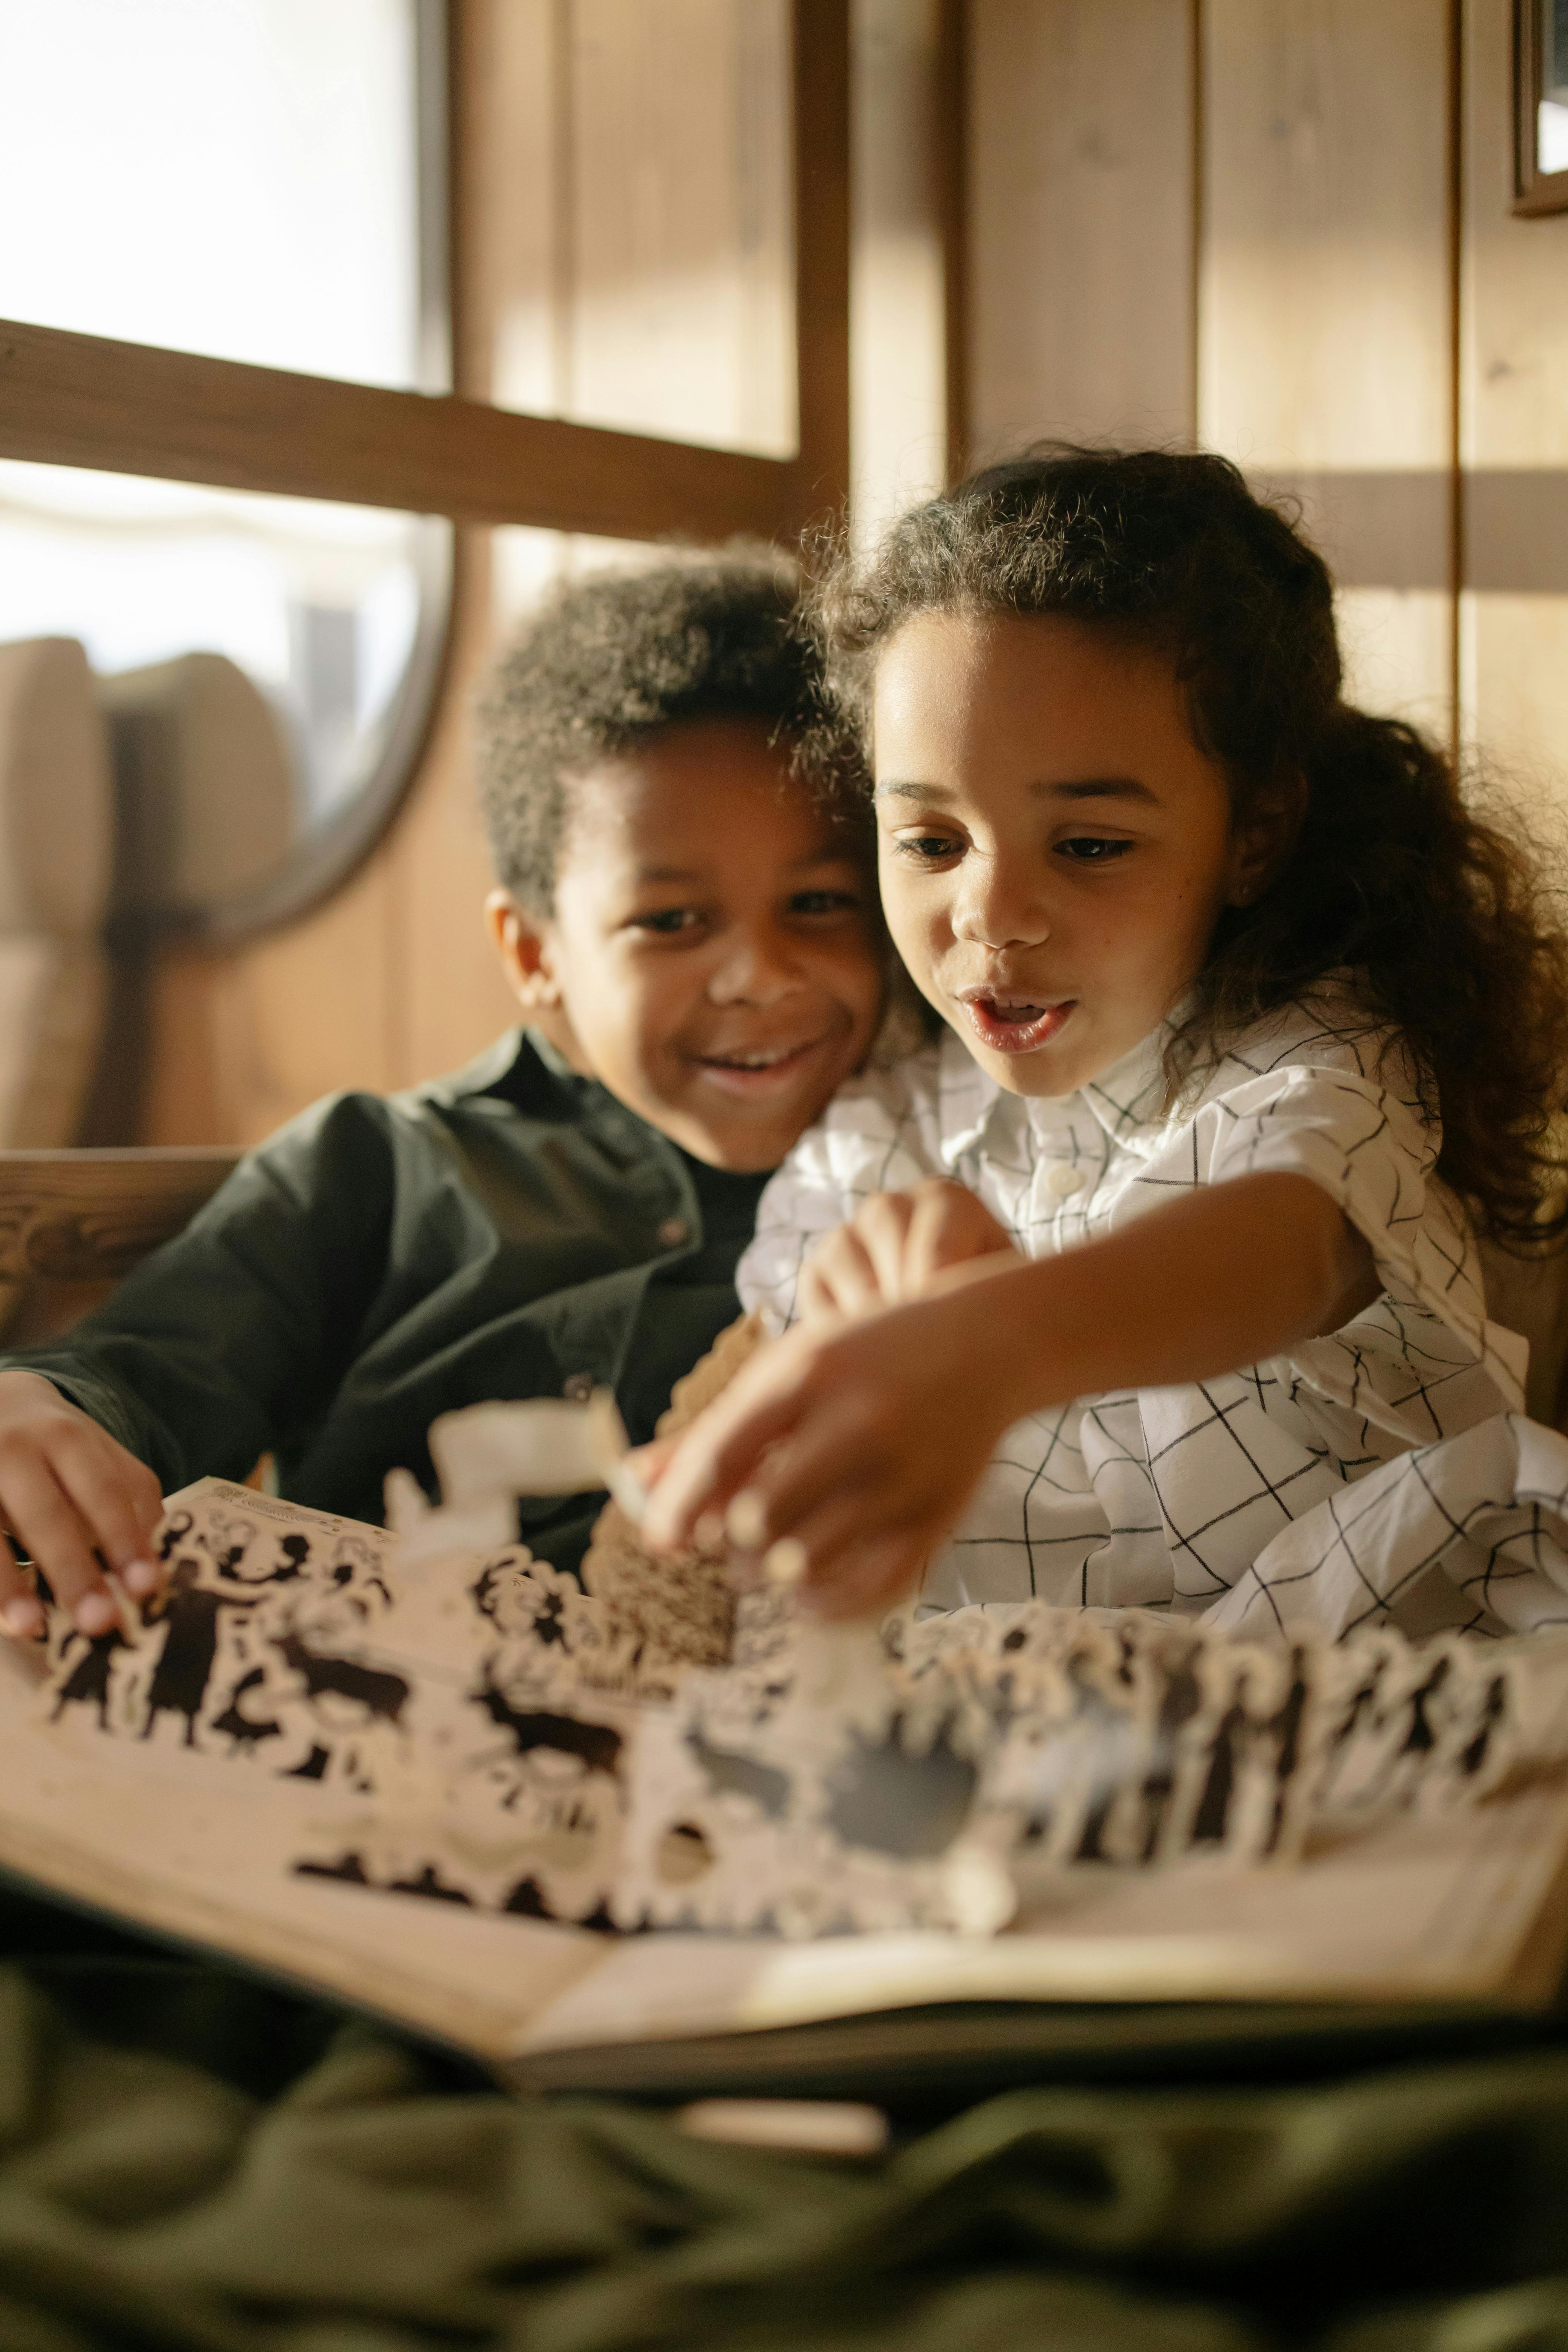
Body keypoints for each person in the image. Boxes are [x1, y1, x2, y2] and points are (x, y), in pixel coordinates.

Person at [641, 449, 1568, 1630]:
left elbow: (1289, 1243)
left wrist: (990, 1341)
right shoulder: (883, 1124)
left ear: (1255, 833)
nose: (991, 912)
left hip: (1360, 1711)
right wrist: (849, 1321)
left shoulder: (1316, 1055)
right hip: (995, 1755)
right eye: (930, 841)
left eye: (1088, 845)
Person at [0, 554, 886, 1640]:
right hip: (389, 1728)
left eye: (821, 901)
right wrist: (45, 1409)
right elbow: (143, 1373)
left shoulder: (934, 1161)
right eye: (671, 921)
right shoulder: (383, 1162)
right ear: (534, 950)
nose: (761, 973)